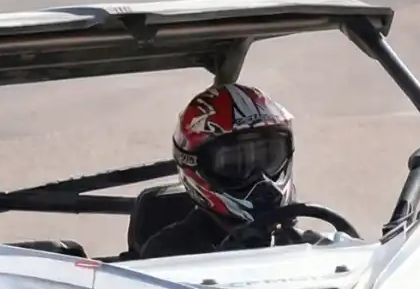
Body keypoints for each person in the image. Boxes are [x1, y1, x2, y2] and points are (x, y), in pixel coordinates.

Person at [136, 82, 318, 259]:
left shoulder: (300, 244)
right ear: (196, 166)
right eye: (234, 164)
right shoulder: (168, 253)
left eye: (269, 157)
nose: (260, 178)